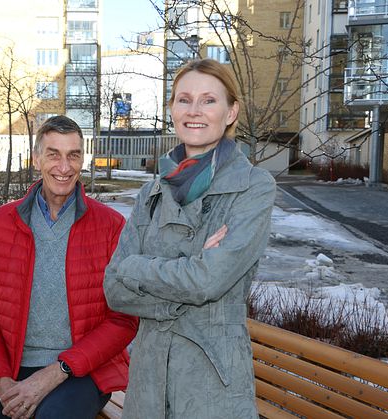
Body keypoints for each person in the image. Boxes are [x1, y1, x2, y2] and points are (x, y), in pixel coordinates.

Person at [104, 59, 276, 418]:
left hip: (211, 386)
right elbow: (114, 289)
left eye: (208, 100)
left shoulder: (253, 187)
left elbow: (208, 282)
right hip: (148, 385)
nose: (194, 111)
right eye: (184, 100)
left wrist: (137, 267)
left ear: (231, 112)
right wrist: (190, 271)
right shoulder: (152, 190)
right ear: (171, 109)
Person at [0, 115, 139, 419]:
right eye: (53, 154)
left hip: (83, 371)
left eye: (73, 155)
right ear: (36, 159)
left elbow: (123, 319)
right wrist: (0, 380)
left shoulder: (111, 226)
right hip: (13, 364)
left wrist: (56, 372)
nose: (64, 166)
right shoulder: (2, 222)